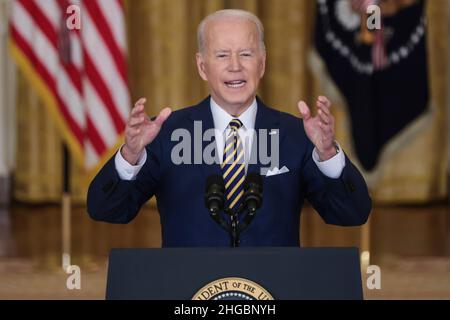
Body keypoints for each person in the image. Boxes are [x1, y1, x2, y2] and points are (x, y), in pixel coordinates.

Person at [87, 9, 371, 247]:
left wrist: (328, 153)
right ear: (202, 66)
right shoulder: (167, 134)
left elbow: (352, 213)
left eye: (246, 54)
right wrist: (130, 155)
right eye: (222, 55)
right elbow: (106, 210)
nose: (235, 66)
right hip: (190, 296)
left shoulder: (297, 135)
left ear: (262, 64)